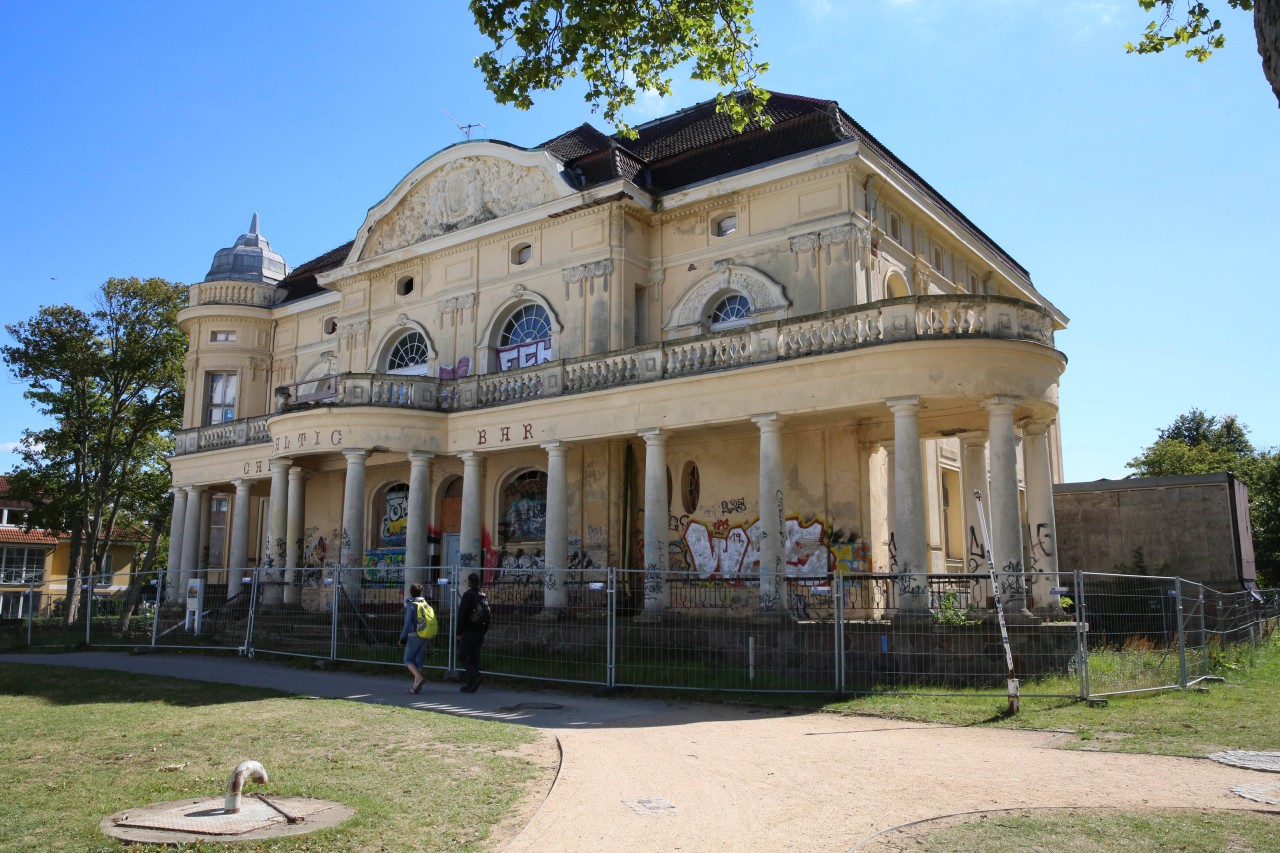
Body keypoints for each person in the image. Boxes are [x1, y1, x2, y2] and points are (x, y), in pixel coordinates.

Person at [456, 572, 490, 693]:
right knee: (474, 659)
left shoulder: (467, 595)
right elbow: (488, 615)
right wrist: (484, 630)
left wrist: (459, 631)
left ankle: (476, 676)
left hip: (469, 631)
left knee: (462, 656)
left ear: (469, 583)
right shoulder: (483, 595)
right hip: (480, 631)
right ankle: (470, 685)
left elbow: (462, 615)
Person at [398, 582, 432, 694]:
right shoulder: (426, 604)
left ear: (411, 593)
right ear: (421, 593)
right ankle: (415, 686)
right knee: (418, 661)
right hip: (426, 635)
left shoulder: (412, 605)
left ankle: (418, 677)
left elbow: (407, 623)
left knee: (407, 659)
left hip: (414, 635)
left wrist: (402, 638)